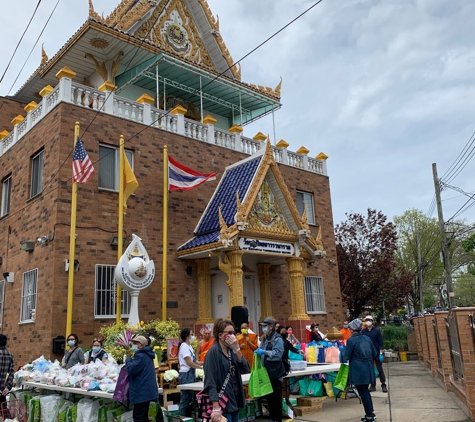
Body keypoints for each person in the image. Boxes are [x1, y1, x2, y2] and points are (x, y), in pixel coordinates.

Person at [203, 318, 249, 422]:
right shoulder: (213, 352)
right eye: (229, 333)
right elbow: (210, 382)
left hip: (235, 400)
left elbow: (245, 368)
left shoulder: (231, 350)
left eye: (233, 333)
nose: (232, 336)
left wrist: (237, 349)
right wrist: (215, 406)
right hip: (223, 403)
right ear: (220, 335)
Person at [344, 319, 378, 422]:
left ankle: (369, 416)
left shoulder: (351, 340)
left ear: (352, 329)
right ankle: (370, 413)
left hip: (358, 368)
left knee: (363, 392)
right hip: (368, 367)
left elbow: (346, 356)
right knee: (366, 391)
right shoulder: (367, 339)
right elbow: (374, 353)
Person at [255, 317, 285, 422]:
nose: (263, 328)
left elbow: (278, 354)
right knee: (269, 397)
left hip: (275, 373)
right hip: (266, 372)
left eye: (265, 326)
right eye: (263, 326)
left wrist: (265, 352)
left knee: (276, 397)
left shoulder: (277, 339)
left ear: (271, 327)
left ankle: (277, 418)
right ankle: (272, 417)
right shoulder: (265, 338)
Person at [125, 335, 158, 422]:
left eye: (136, 343)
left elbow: (131, 369)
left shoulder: (141, 356)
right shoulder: (148, 355)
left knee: (139, 417)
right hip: (149, 392)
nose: (134, 345)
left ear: (142, 345)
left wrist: (128, 359)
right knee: (147, 417)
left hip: (141, 392)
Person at [178, 328, 203, 416]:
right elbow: (189, 362)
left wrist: (203, 363)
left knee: (190, 399)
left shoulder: (190, 347)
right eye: (192, 335)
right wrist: (199, 367)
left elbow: (194, 360)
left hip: (191, 374)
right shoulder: (184, 346)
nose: (193, 336)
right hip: (186, 375)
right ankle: (182, 417)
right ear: (187, 336)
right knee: (185, 399)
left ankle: (188, 417)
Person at [362, 315, 387, 393]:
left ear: (372, 321)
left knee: (380, 369)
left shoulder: (376, 331)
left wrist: (380, 350)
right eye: (367, 320)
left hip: (376, 352)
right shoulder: (364, 332)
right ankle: (373, 385)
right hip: (368, 353)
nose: (368, 321)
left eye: (369, 320)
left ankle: (383, 384)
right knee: (370, 369)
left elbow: (380, 341)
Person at [0, 335, 14, 411]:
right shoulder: (10, 355)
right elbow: (11, 373)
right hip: (3, 391)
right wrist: (7, 387)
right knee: (3, 412)